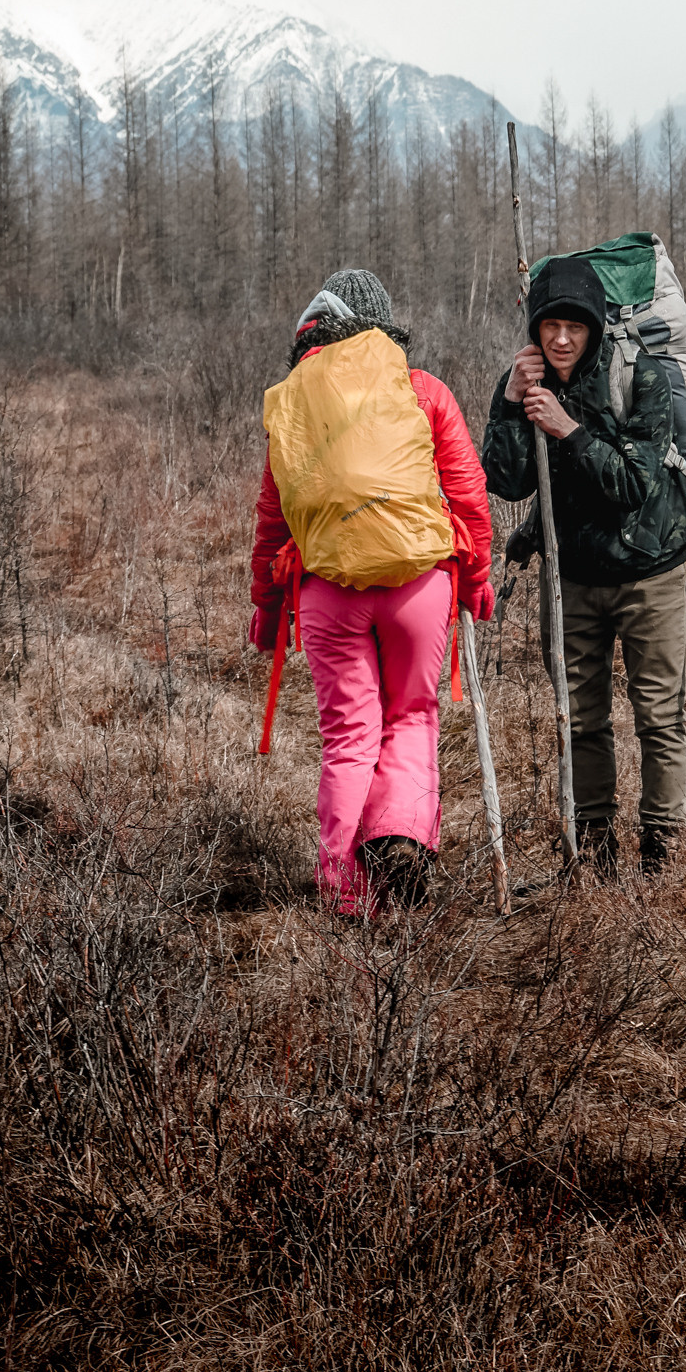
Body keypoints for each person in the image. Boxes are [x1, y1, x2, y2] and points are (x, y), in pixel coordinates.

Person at [249, 270, 494, 914]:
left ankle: (344, 889)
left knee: (349, 736)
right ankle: (400, 838)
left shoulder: (295, 407)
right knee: (412, 716)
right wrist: (476, 581)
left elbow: (273, 520)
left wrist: (266, 609)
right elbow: (468, 497)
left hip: (328, 591)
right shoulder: (422, 391)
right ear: (384, 330)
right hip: (420, 583)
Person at [480, 253, 686, 877]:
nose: (563, 338)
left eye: (575, 326)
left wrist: (568, 428)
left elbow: (633, 483)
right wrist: (509, 402)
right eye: (551, 326)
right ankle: (595, 852)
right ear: (537, 328)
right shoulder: (530, 379)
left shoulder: (641, 375)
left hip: (648, 571)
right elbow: (507, 480)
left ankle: (661, 852)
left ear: (596, 325)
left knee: (657, 715)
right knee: (580, 718)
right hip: (573, 575)